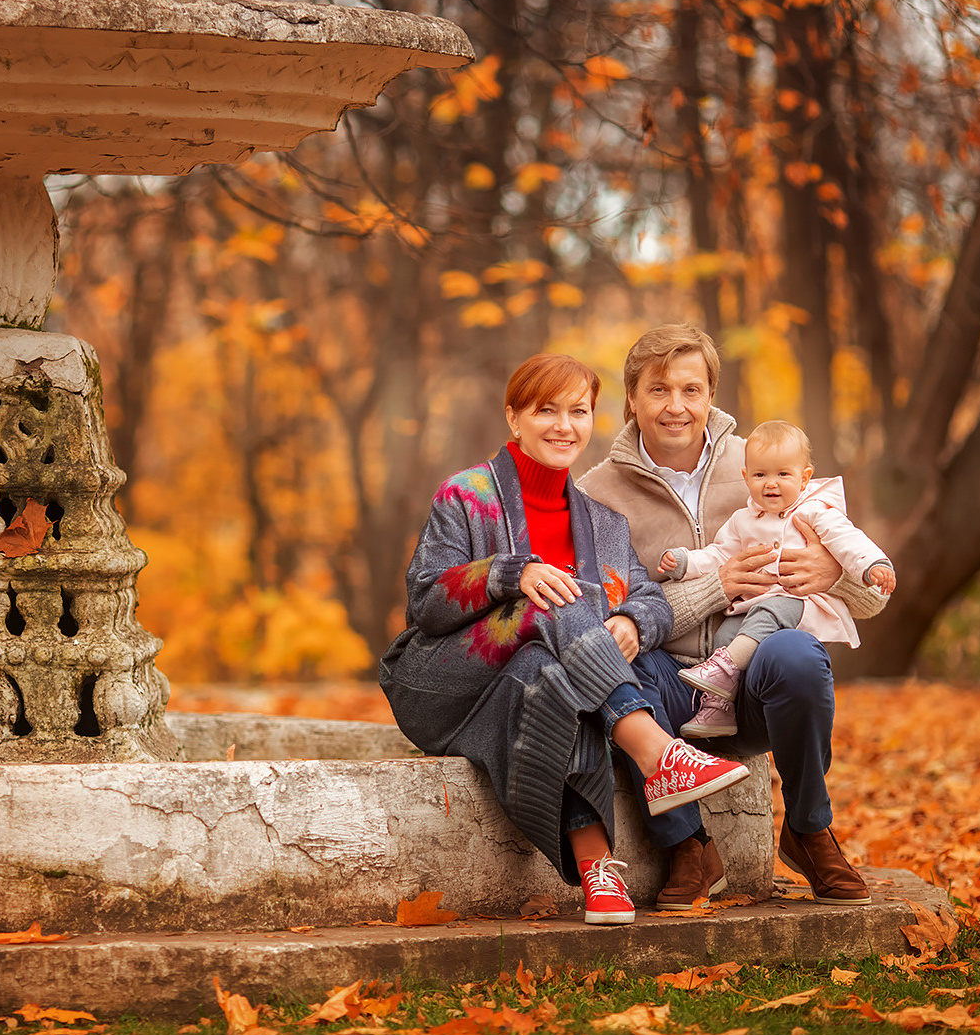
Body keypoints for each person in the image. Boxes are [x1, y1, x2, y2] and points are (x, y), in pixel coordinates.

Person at [380, 352, 751, 926]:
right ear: (514, 418)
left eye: (578, 411)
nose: (563, 425)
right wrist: (510, 573)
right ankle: (656, 750)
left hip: (523, 686)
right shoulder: (466, 495)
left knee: (552, 677)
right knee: (552, 603)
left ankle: (597, 870)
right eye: (545, 410)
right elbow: (426, 601)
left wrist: (631, 624)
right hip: (440, 680)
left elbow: (650, 599)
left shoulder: (602, 521)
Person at [580, 325, 889, 909]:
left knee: (795, 652)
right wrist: (710, 588)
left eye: (692, 390)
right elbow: (605, 622)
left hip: (753, 688)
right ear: (632, 398)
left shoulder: (768, 464)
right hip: (668, 691)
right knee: (620, 661)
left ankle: (807, 827)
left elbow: (870, 595)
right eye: (659, 390)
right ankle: (689, 845)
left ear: (711, 394)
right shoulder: (596, 495)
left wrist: (833, 575)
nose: (676, 407)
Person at [655, 419, 895, 739]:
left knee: (773, 610)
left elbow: (847, 540)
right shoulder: (743, 520)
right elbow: (720, 554)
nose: (771, 483)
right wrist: (686, 562)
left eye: (783, 474)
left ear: (804, 477)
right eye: (760, 475)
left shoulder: (814, 511)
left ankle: (725, 668)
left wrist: (871, 564)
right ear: (746, 478)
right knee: (725, 634)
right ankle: (717, 709)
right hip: (753, 607)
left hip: (799, 602)